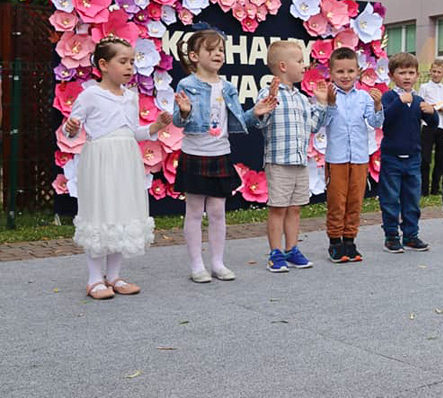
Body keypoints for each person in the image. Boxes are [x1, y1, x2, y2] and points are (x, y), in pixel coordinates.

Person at [64, 37, 172, 300]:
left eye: (132, 62)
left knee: (121, 212)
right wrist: (72, 128)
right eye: (122, 61)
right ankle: (93, 278)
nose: (129, 67)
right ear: (103, 64)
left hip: (126, 159)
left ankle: (113, 275)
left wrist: (155, 127)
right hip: (101, 160)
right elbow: (72, 127)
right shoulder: (90, 95)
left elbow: (132, 132)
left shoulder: (131, 97)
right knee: (100, 212)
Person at [173, 28, 278, 283]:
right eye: (211, 50)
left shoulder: (228, 87)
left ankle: (218, 263)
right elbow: (178, 120)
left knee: (218, 210)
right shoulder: (187, 84)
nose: (218, 54)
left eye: (221, 50)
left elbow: (237, 121)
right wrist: (185, 112)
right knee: (195, 211)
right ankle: (197, 265)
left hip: (220, 154)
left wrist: (256, 112)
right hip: (194, 153)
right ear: (194, 55)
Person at [254, 41, 327, 273]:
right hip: (279, 162)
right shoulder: (268, 92)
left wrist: (322, 103)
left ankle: (292, 249)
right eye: (299, 61)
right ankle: (275, 253)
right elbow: (261, 122)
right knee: (278, 208)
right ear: (283, 66)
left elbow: (313, 126)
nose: (304, 66)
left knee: (295, 208)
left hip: (299, 162)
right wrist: (266, 105)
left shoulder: (303, 98)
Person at [321, 47, 384, 263]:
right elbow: (321, 124)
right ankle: (335, 241)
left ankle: (350, 239)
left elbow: (375, 123)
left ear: (358, 72)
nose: (345, 76)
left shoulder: (364, 97)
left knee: (355, 200)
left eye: (350, 71)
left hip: (359, 157)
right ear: (331, 73)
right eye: (340, 72)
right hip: (336, 158)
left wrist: (377, 106)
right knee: (337, 200)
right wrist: (328, 104)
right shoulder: (328, 95)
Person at [379, 52, 438, 253]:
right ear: (392, 75)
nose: (406, 77)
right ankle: (391, 236)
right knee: (390, 199)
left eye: (411, 73)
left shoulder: (418, 99)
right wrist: (399, 102)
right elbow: (384, 120)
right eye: (401, 72)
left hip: (413, 158)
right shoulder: (389, 97)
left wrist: (432, 113)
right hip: (391, 158)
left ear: (417, 75)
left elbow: (431, 124)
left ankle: (411, 235)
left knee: (412, 199)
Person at [418, 59, 443, 196]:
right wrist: (430, 108)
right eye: (434, 71)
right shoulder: (425, 87)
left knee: (440, 158)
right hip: (428, 125)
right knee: (425, 158)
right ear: (430, 72)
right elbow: (420, 104)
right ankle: (423, 188)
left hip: (442, 126)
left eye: (439, 72)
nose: (436, 74)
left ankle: (435, 188)